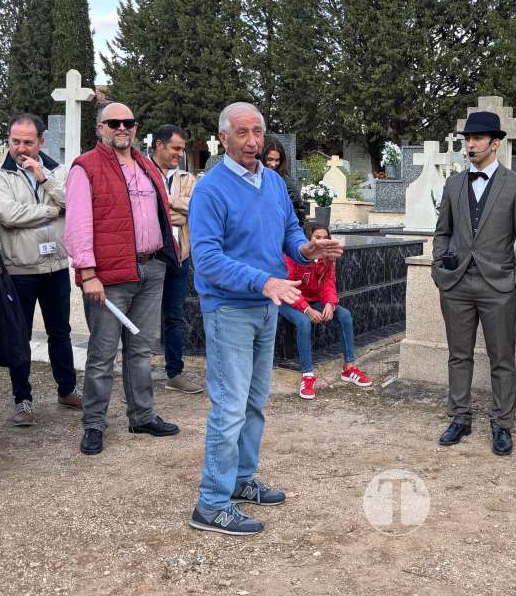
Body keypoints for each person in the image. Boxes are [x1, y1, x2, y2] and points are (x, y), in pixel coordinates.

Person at [187, 102, 343, 536]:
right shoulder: (210, 190)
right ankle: (211, 503)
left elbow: (290, 231)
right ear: (223, 138)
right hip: (230, 309)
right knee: (230, 406)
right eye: (242, 132)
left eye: (257, 131)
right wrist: (264, 282)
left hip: (265, 306)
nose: (252, 141)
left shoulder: (273, 182)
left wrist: (306, 251)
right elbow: (207, 260)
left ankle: (240, 480)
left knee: (256, 401)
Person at [64, 102, 181, 456]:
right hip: (109, 275)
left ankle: (142, 415)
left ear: (135, 127)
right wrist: (88, 273)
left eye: (128, 123)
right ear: (100, 128)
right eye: (113, 122)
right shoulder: (86, 167)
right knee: (102, 354)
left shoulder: (146, 164)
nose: (121, 128)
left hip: (151, 268)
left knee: (142, 349)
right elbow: (78, 224)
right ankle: (94, 424)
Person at [430, 110, 516, 455]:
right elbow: (442, 230)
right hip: (457, 282)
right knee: (458, 356)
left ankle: (502, 424)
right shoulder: (453, 183)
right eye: (467, 139)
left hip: (498, 286)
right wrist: (438, 267)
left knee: (501, 357)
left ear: (495, 143)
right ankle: (459, 418)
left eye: (477, 139)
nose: (471, 145)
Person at [0, 115, 80, 425]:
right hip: (20, 268)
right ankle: (22, 398)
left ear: (41, 142)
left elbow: (74, 202)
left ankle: (67, 389)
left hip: (55, 265)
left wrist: (43, 178)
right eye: (15, 141)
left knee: (60, 332)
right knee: (19, 335)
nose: (21, 148)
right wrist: (53, 211)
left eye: (28, 141)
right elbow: (9, 214)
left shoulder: (57, 171)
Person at [279, 221, 371, 400]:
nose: (322, 241)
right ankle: (307, 375)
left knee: (344, 315)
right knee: (304, 322)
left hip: (314, 300)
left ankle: (349, 367)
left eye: (325, 237)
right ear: (308, 239)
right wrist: (306, 309)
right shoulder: (292, 256)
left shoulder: (328, 256)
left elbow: (328, 281)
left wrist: (330, 303)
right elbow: (289, 286)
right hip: (288, 300)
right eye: (317, 237)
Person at [149, 124, 202, 394]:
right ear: (159, 145)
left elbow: (197, 208)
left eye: (182, 149)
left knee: (174, 316)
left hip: (179, 257)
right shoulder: (142, 173)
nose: (180, 154)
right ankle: (137, 376)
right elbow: (145, 214)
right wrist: (174, 207)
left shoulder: (187, 178)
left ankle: (175, 372)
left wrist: (166, 201)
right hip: (150, 258)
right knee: (143, 316)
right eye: (176, 148)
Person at [261, 137, 306, 225]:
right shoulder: (256, 177)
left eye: (277, 160)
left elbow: (297, 212)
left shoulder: (286, 183)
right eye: (270, 159)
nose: (273, 164)